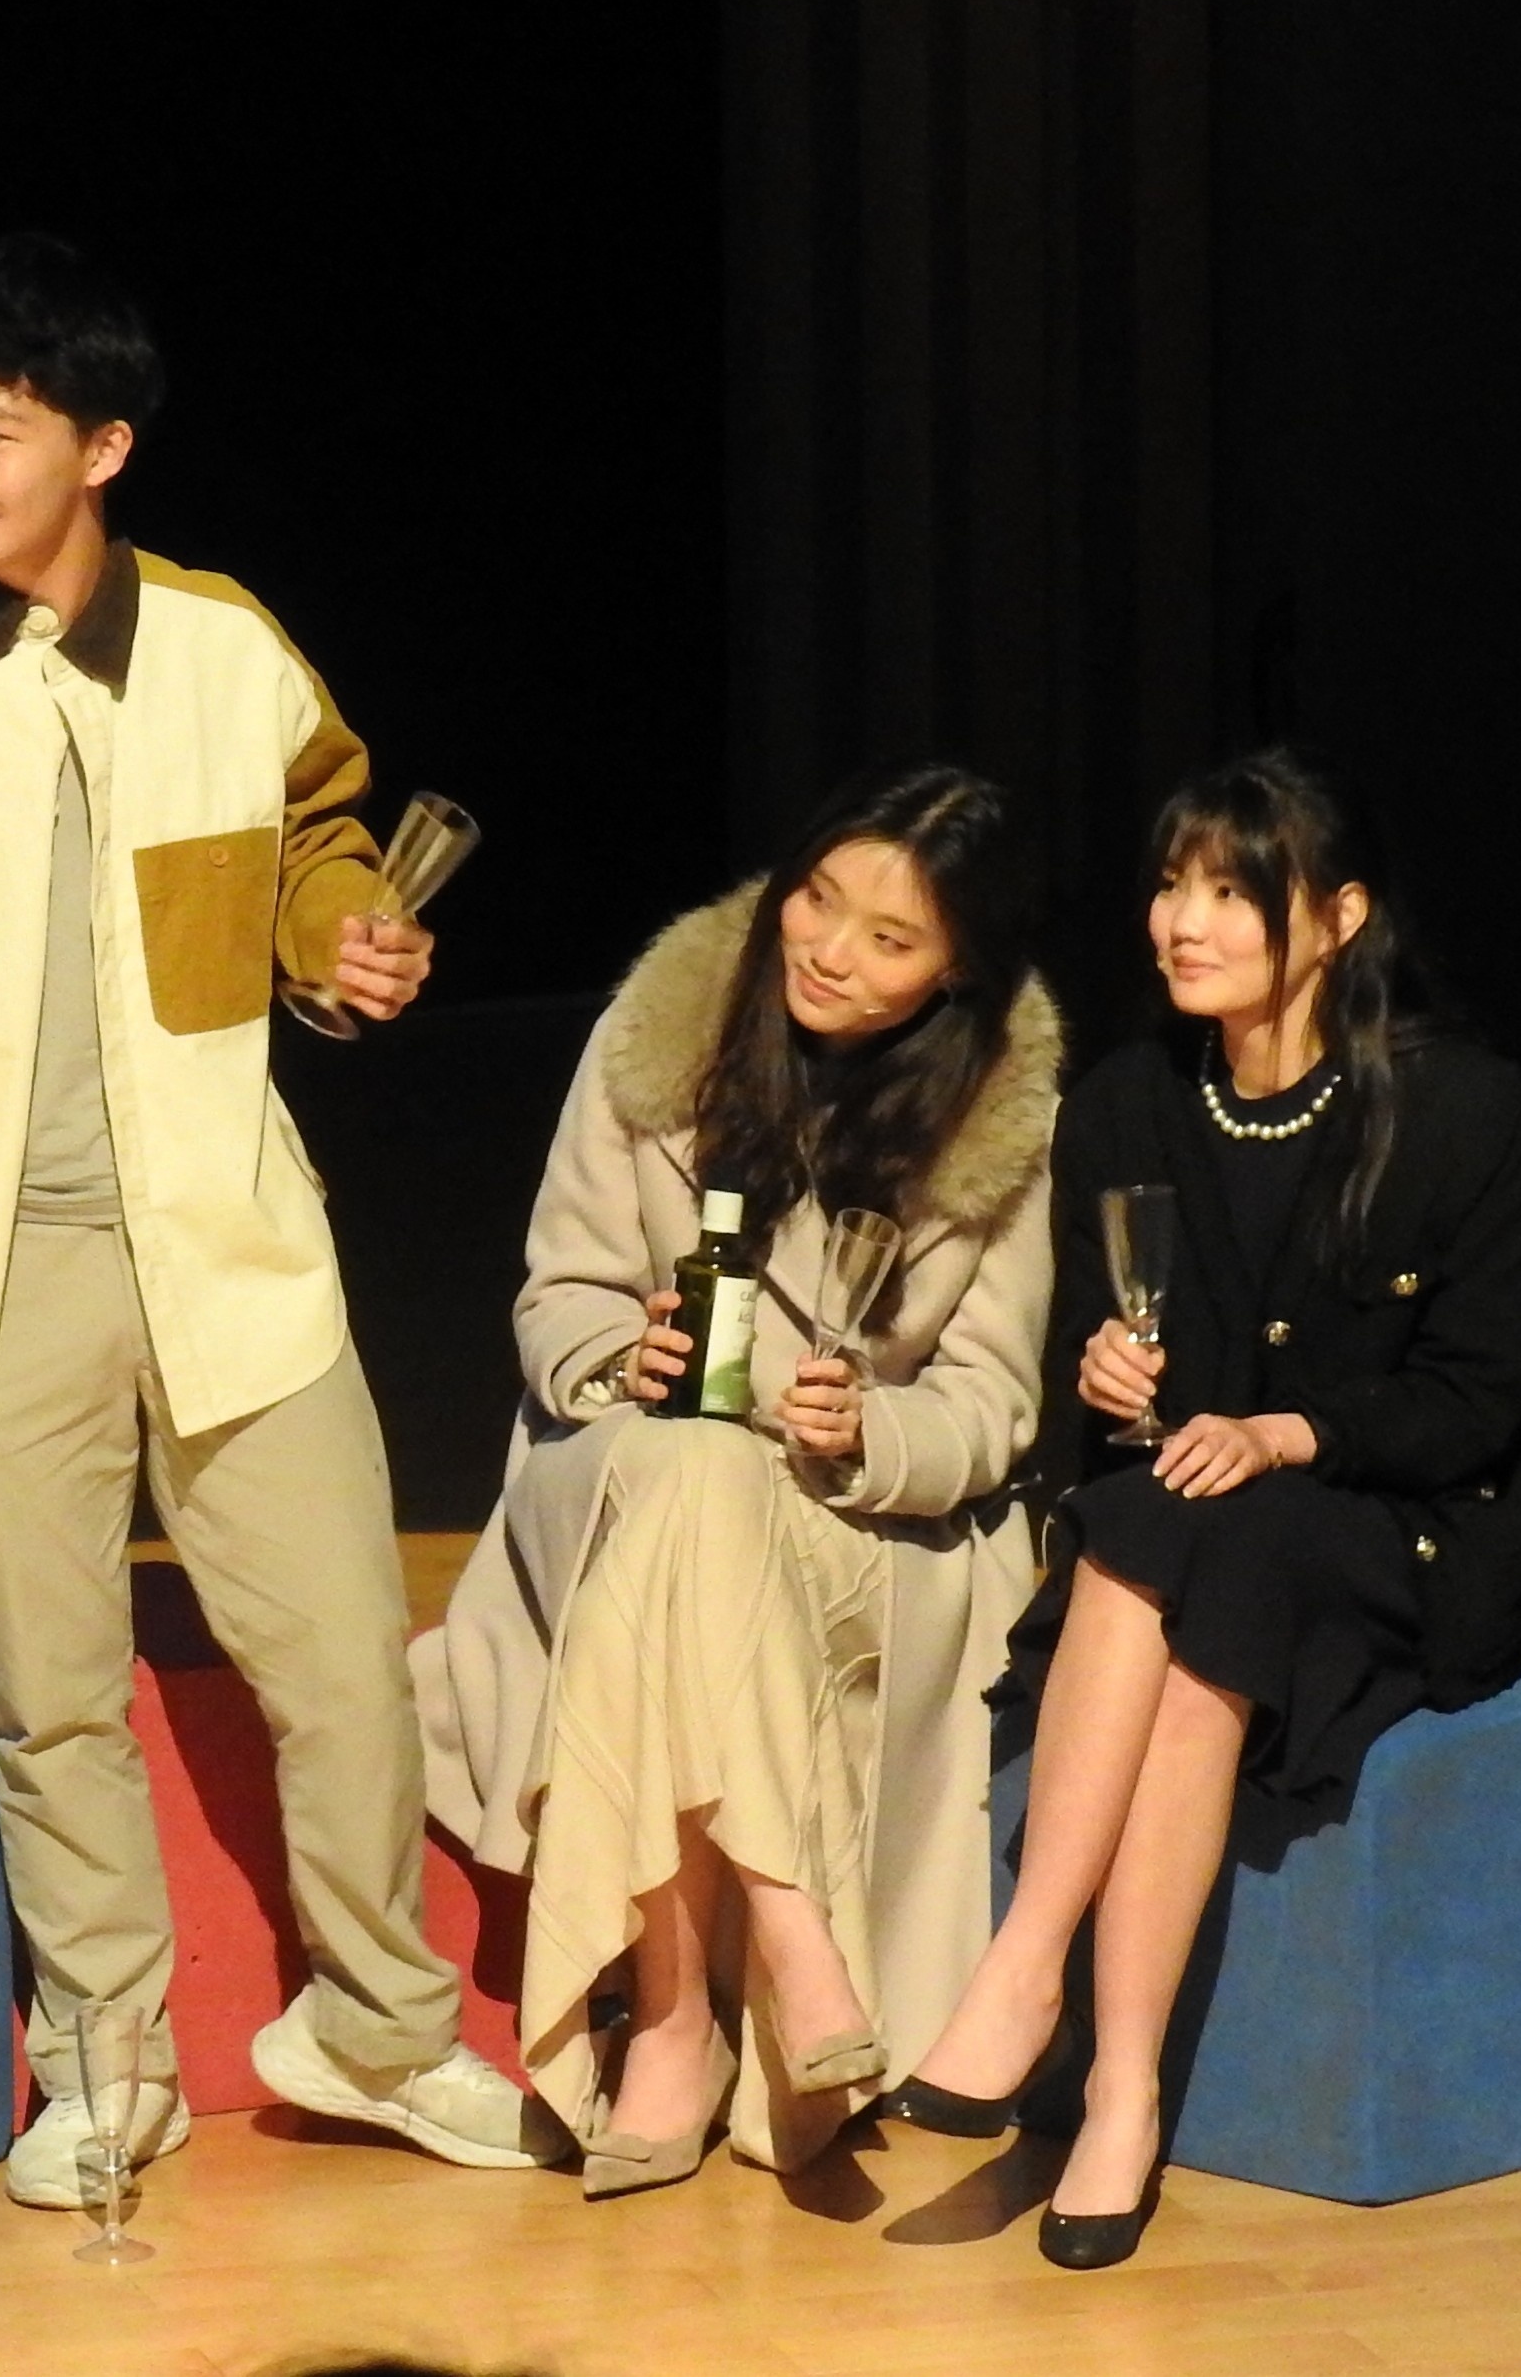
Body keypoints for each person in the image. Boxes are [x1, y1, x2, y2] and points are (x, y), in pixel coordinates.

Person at [0, 234, 539, 2207]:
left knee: (344, 1664)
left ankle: (383, 2031)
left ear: (103, 446)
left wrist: (342, 937)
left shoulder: (227, 650)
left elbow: (312, 836)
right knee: (53, 1700)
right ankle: (109, 2063)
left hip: (226, 1241)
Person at [890, 746, 1521, 2268]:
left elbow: (1477, 1399)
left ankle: (1063, 2016)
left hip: (1396, 1516)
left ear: (1340, 918)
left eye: (1233, 895)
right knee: (1169, 1541)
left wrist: (1287, 1431)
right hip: (1191, 1506)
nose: (1183, 923)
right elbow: (1104, 1383)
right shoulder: (1132, 1100)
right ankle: (1090, 2053)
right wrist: (1105, 1370)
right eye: (1172, 886)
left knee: (1210, 1574)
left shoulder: (1459, 1106)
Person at [415, 765, 1063, 2194]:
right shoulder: (662, 1033)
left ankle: (670, 2022)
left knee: (704, 1506)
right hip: (623, 1469)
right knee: (695, 1468)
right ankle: (791, 1933)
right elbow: (557, 1295)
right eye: (816, 901)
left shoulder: (999, 1111)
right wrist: (622, 1351)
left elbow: (993, 1404)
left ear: (958, 971)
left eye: (889, 940)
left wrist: (869, 1432)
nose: (828, 951)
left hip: (849, 1518)